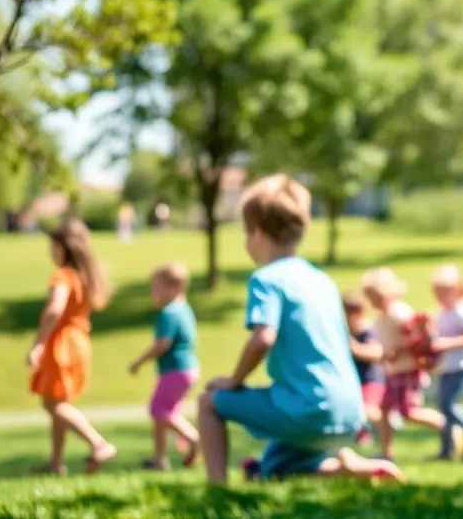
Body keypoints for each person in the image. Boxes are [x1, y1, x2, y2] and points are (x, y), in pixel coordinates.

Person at [197, 174, 403, 485]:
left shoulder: (267, 279)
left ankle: (217, 488)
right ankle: (351, 466)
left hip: (310, 411)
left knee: (209, 402)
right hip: (349, 415)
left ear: (258, 233)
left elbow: (262, 339)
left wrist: (234, 381)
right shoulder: (322, 281)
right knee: (272, 470)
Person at [29, 219, 116, 475]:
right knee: (58, 401)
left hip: (63, 343)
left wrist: (38, 343)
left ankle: (98, 443)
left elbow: (55, 310)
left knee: (53, 405)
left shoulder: (63, 276)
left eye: (53, 246)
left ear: (64, 247)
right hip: (80, 342)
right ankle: (56, 463)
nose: (50, 251)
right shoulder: (84, 276)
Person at [359, 266, 445, 462]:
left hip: (406, 370)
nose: (372, 302)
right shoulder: (382, 316)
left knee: (409, 412)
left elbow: (419, 337)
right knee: (384, 410)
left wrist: (400, 349)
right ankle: (387, 452)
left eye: (374, 297)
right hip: (392, 370)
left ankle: (447, 426)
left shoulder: (400, 312)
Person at [128, 262, 200, 471]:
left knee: (158, 409)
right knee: (164, 414)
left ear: (173, 287)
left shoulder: (169, 313)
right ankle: (159, 459)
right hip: (188, 369)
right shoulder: (185, 309)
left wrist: (139, 362)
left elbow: (162, 344)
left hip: (175, 370)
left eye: (156, 288)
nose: (153, 293)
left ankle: (194, 439)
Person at [431, 264, 463, 461]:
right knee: (441, 406)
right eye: (438, 292)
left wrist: (447, 343)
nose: (441, 296)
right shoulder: (441, 313)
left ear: (458, 291)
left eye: (446, 292)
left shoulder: (462, 312)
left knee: (447, 403)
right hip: (446, 367)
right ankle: (446, 450)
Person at [344, 294, 386, 449]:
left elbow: (375, 352)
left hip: (371, 380)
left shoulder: (367, 332)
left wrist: (354, 347)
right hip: (355, 381)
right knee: (353, 409)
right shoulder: (349, 333)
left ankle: (388, 422)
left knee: (368, 411)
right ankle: (363, 436)